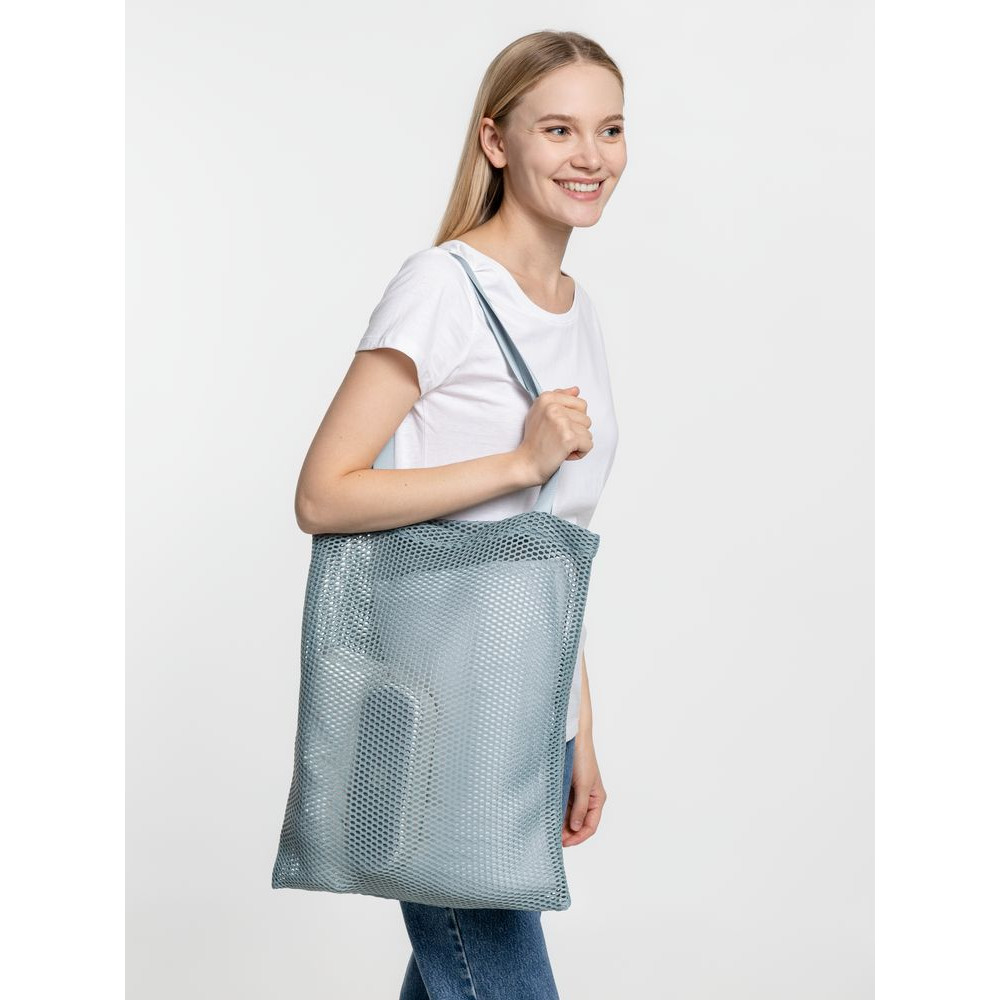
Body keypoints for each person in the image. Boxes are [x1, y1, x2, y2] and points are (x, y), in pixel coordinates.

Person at [294, 29, 626, 1000]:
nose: (590, 155)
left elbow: (548, 546)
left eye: (609, 129)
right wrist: (516, 461)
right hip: (436, 713)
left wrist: (578, 727)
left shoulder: (575, 308)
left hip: (528, 709)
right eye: (557, 129)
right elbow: (323, 492)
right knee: (496, 974)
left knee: (461, 970)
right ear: (495, 141)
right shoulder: (442, 287)